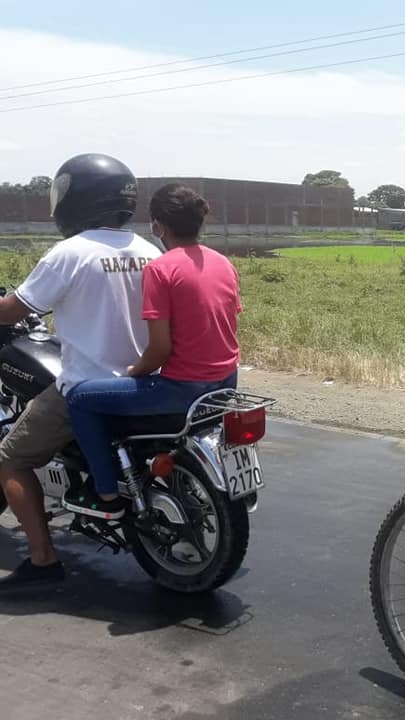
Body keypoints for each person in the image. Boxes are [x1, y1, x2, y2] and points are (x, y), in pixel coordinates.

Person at [0, 153, 160, 592]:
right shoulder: (149, 250)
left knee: (11, 459)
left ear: (75, 198)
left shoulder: (70, 253)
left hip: (87, 386)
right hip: (143, 381)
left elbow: (14, 309)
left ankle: (43, 560)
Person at [64, 184, 241, 516]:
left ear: (158, 225)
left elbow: (160, 349)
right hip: (226, 383)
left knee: (79, 398)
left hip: (182, 390)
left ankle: (105, 493)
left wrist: (135, 372)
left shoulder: (161, 269)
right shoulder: (223, 263)